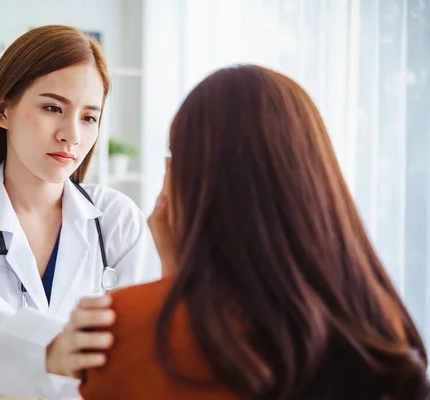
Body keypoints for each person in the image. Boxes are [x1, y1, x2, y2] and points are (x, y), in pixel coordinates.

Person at [79, 65, 430, 399]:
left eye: (174, 155)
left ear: (190, 180)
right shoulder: (374, 321)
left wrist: (176, 274)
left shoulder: (124, 329)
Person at [0, 25, 161, 400]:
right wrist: (53, 351)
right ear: (3, 110)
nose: (71, 135)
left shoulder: (117, 219)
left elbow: (142, 351)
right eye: (52, 108)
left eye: (89, 117)